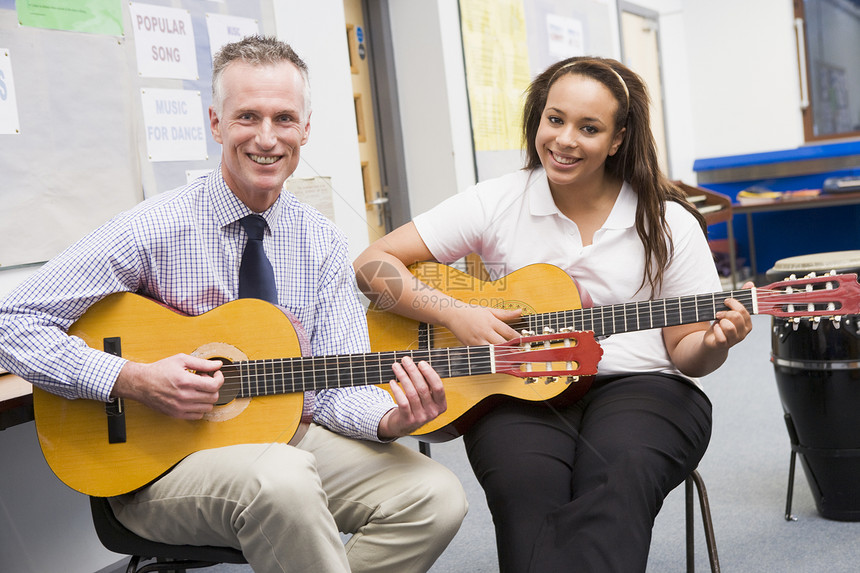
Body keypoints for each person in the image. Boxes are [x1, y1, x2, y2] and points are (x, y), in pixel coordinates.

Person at [0, 36, 467, 573]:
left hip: (292, 437)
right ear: (216, 124)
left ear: (305, 129)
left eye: (284, 119)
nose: (267, 138)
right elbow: (14, 322)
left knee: (435, 496)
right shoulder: (155, 227)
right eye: (247, 116)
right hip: (164, 466)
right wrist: (133, 379)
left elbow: (339, 391)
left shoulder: (323, 243)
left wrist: (391, 418)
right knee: (283, 477)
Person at [354, 56, 753, 572]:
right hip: (522, 384)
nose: (565, 140)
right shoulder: (499, 199)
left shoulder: (667, 220)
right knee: (525, 485)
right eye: (555, 119)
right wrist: (455, 313)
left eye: (589, 128)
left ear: (617, 139)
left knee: (619, 470)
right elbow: (371, 265)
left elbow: (686, 355)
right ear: (538, 119)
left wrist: (716, 343)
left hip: (643, 387)